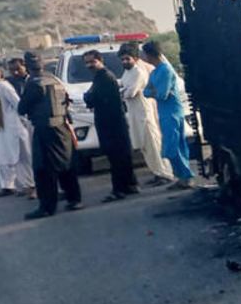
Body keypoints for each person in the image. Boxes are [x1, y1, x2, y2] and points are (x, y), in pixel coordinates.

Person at [18, 51, 82, 218]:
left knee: (43, 169)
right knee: (65, 164)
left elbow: (22, 108)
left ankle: (46, 207)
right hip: (62, 127)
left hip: (45, 129)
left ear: (26, 66)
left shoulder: (33, 83)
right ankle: (74, 198)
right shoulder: (54, 79)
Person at [81, 49, 139, 201]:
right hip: (112, 122)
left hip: (111, 124)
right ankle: (129, 185)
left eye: (92, 62)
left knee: (116, 157)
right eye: (86, 63)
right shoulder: (100, 77)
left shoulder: (104, 77)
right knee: (122, 155)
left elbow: (91, 98)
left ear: (100, 61)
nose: (89, 65)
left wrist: (88, 97)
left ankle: (119, 189)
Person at [117, 43, 173, 186]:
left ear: (135, 58)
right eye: (122, 59)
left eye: (127, 59)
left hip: (144, 112)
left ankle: (165, 173)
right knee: (143, 145)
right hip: (134, 112)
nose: (125, 62)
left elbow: (130, 92)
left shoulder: (139, 72)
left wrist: (123, 92)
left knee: (153, 143)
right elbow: (124, 89)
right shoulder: (127, 73)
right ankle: (156, 172)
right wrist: (124, 91)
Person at [142, 41, 194, 189]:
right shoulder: (155, 72)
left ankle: (186, 176)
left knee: (175, 145)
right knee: (171, 145)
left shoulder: (166, 71)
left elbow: (161, 94)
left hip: (172, 112)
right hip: (164, 112)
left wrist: (154, 92)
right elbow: (147, 92)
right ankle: (181, 176)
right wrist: (154, 92)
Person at [0, 62, 35, 198]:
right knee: (3, 157)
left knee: (21, 157)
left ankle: (30, 185)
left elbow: (18, 105)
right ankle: (7, 186)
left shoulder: (3, 86)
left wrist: (25, 124)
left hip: (14, 127)